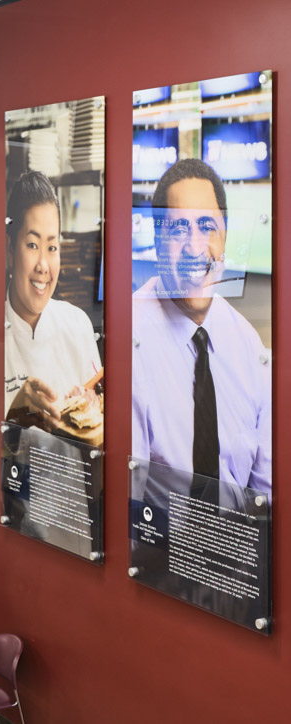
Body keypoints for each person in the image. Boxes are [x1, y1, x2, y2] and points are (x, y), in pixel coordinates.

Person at [132, 159, 271, 494]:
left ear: (225, 238)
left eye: (208, 226)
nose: (195, 248)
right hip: (157, 544)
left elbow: (267, 490)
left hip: (241, 541)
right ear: (158, 240)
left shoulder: (248, 346)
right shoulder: (128, 337)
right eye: (179, 230)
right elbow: (125, 501)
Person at [4, 171, 101, 427]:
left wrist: (91, 406)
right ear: (10, 250)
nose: (43, 266)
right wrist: (13, 416)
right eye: (32, 245)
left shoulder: (77, 324)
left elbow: (100, 426)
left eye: (52, 247)